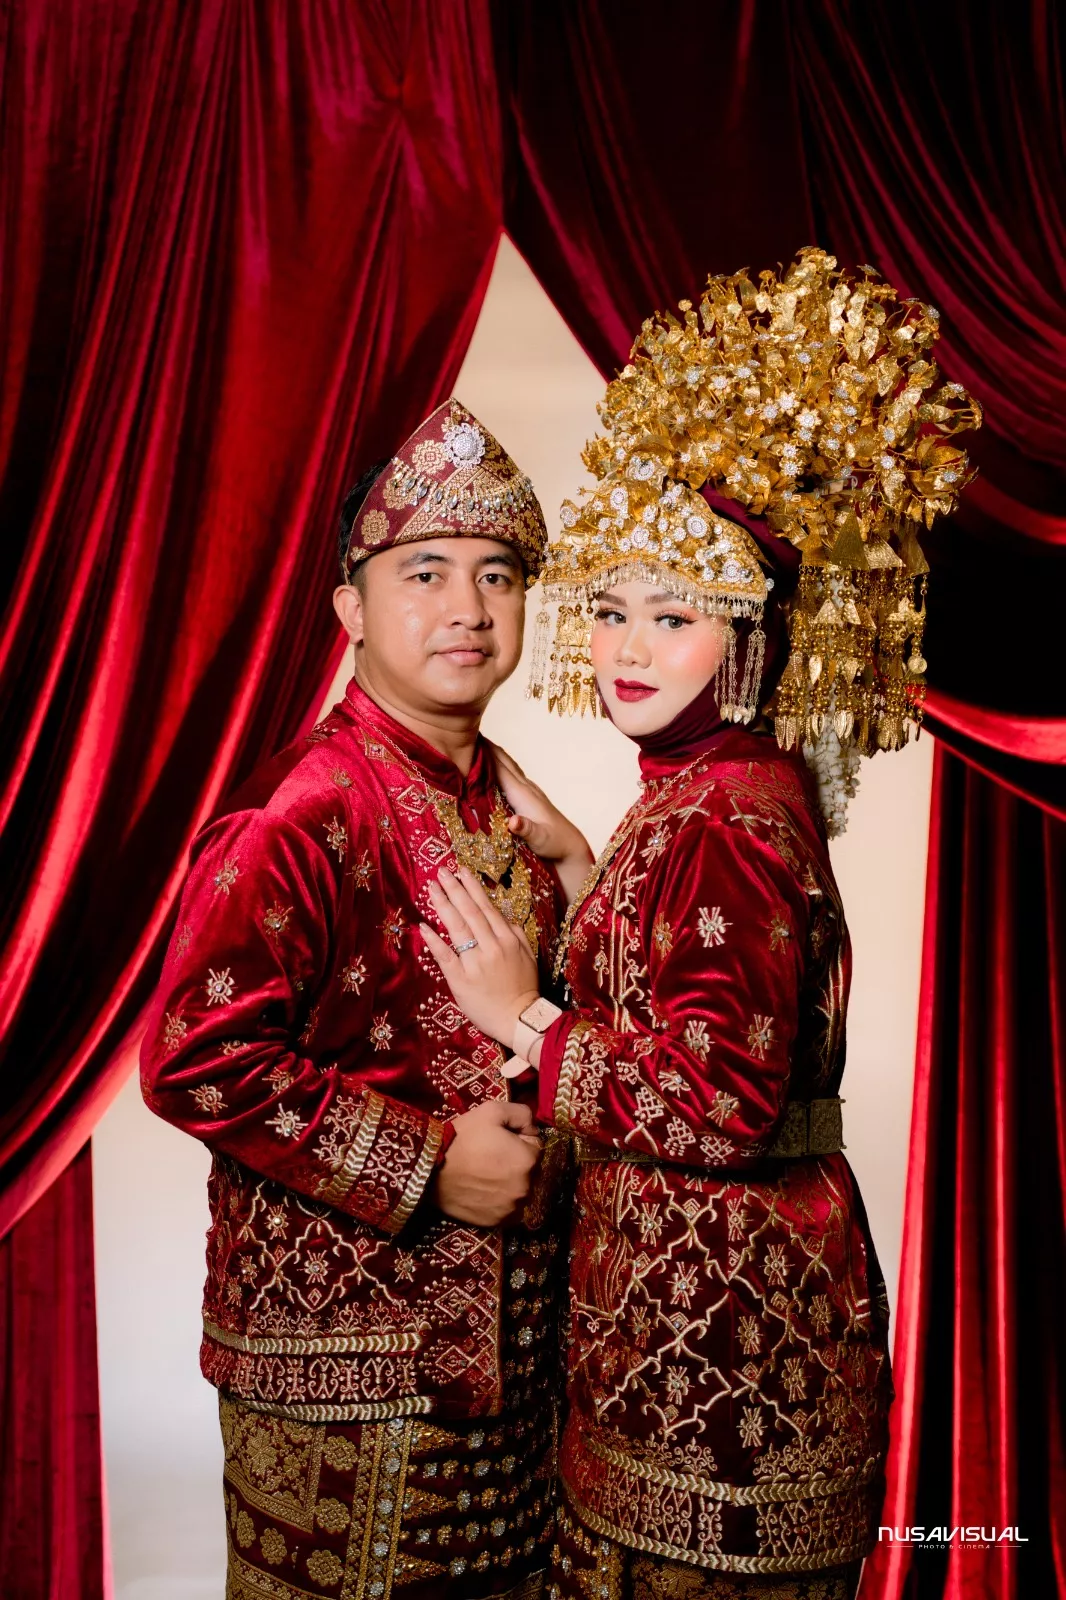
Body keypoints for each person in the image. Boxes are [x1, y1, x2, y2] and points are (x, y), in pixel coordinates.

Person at [420, 252, 982, 1598]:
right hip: (692, 1331)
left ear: (753, 638)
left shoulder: (722, 812)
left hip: (724, 1354)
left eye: (674, 617)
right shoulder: (709, 789)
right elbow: (684, 984)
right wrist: (584, 865)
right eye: (612, 610)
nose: (626, 647)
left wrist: (524, 1018)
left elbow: (718, 1101)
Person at [140, 399, 593, 1600]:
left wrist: (583, 872)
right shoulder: (302, 808)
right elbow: (194, 1059)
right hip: (344, 1379)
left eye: (498, 575)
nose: (468, 607)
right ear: (349, 609)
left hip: (517, 1363)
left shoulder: (505, 805)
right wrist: (429, 1165)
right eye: (425, 572)